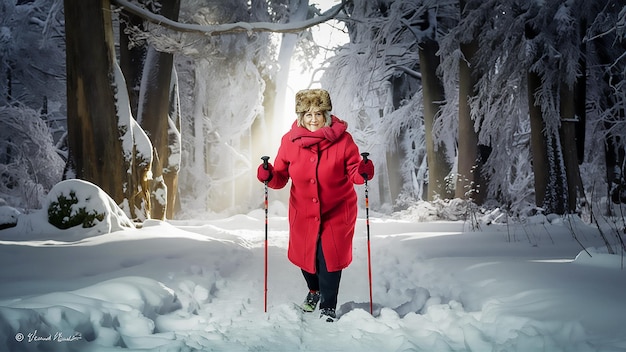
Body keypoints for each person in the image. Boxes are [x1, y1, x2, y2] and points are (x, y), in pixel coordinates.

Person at [257, 89, 374, 322]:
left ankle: (328, 306)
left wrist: (363, 172)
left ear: (326, 114)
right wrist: (268, 175)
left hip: (337, 209)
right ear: (301, 116)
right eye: (308, 114)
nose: (313, 119)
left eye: (318, 113)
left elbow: (354, 172)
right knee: (306, 257)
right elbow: (280, 176)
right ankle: (314, 290)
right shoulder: (289, 141)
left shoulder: (343, 140)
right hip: (303, 210)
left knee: (329, 257)